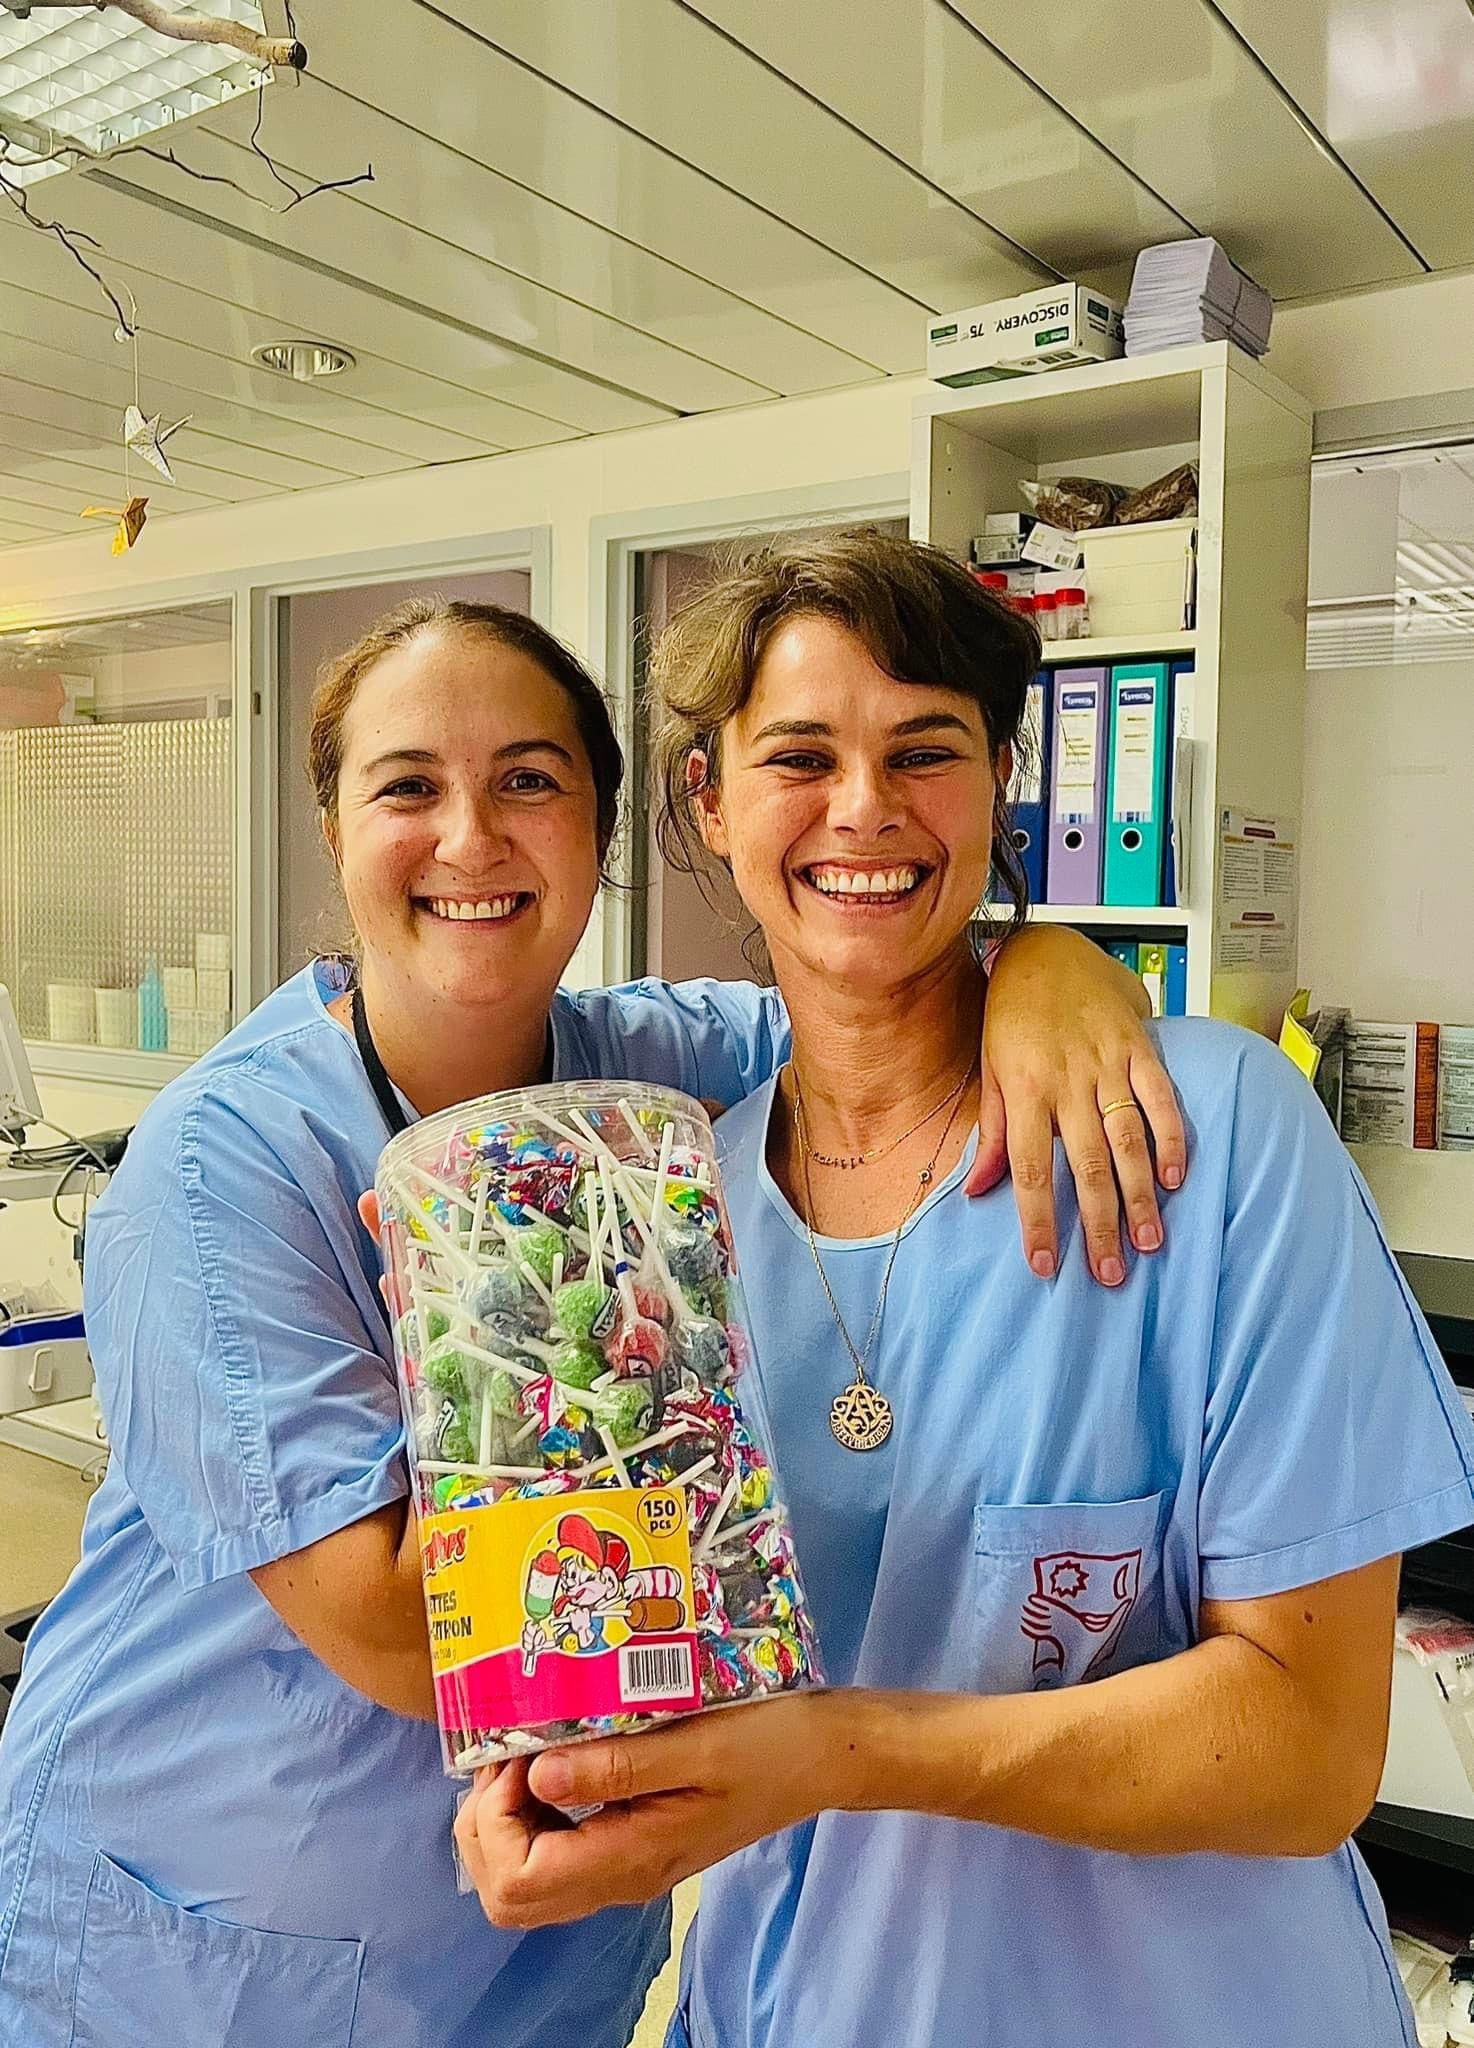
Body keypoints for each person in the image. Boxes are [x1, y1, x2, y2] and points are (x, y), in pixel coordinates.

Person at [0, 596, 1181, 2048]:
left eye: (529, 780)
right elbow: (403, 1633)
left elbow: (885, 1003)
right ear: (334, 829)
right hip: (210, 1920)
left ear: (602, 829)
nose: (471, 838)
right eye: (408, 787)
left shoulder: (656, 1066)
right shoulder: (218, 1169)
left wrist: (1054, 968)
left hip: (552, 1929)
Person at [452, 535, 1474, 2048]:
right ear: (710, 801)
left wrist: (838, 1750)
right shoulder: (667, 1234)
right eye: (800, 756)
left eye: (924, 749)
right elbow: (637, 1662)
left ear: (1000, 781)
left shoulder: (1210, 1137)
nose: (863, 806)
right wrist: (558, 1786)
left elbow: (1308, 1752)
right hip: (797, 2003)